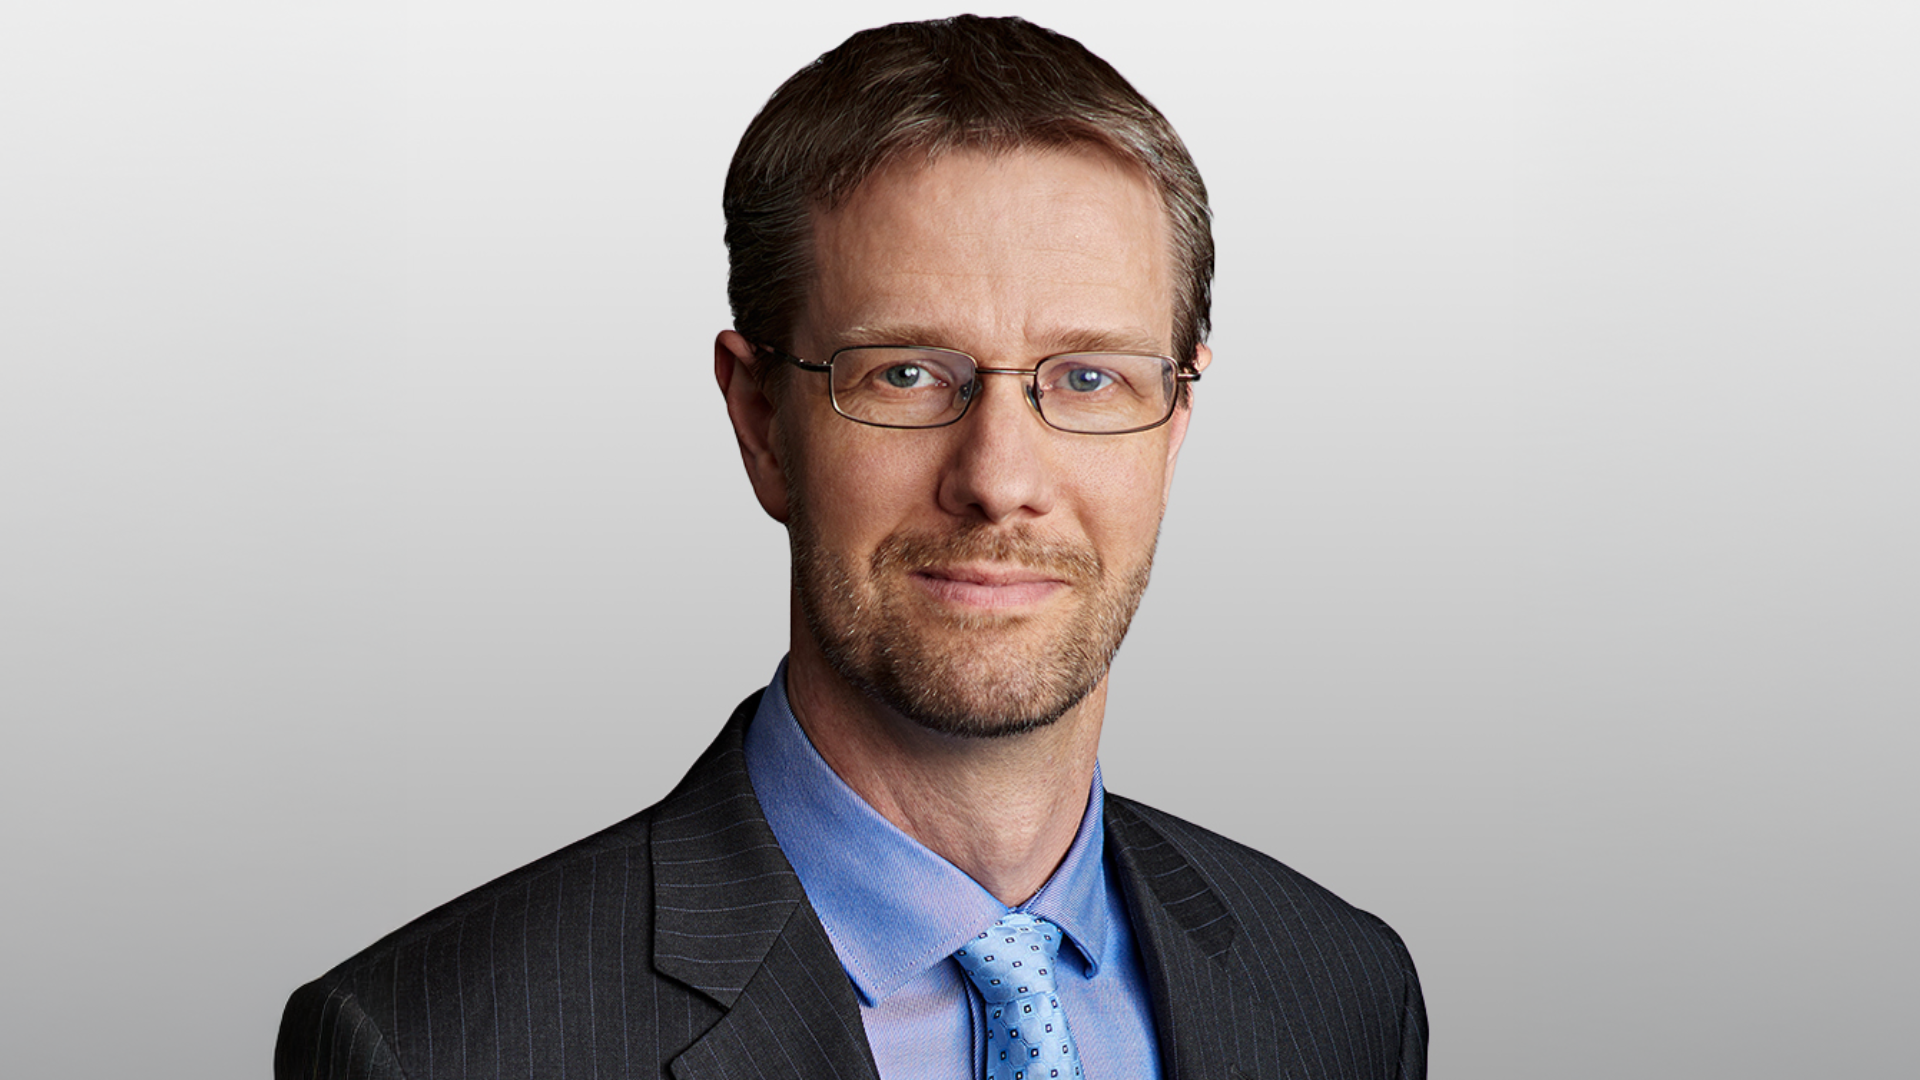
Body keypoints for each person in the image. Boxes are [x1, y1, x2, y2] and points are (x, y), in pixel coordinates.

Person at [276, 15, 1426, 1079]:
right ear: (759, 420)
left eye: (1088, 379)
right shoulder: (436, 1044)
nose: (999, 481)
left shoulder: (1339, 991)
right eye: (907, 375)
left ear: (1174, 427)